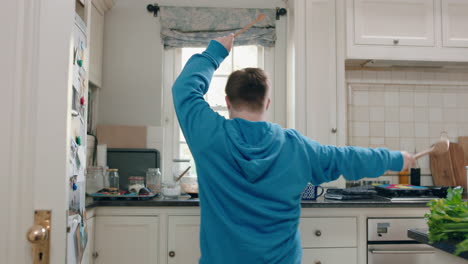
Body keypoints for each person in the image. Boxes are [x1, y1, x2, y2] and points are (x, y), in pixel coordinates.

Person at [172, 34, 416, 264]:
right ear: (267, 103)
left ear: (227, 102)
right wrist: (395, 159)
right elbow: (347, 158)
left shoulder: (209, 136)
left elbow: (184, 89)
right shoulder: (295, 147)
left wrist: (215, 52)